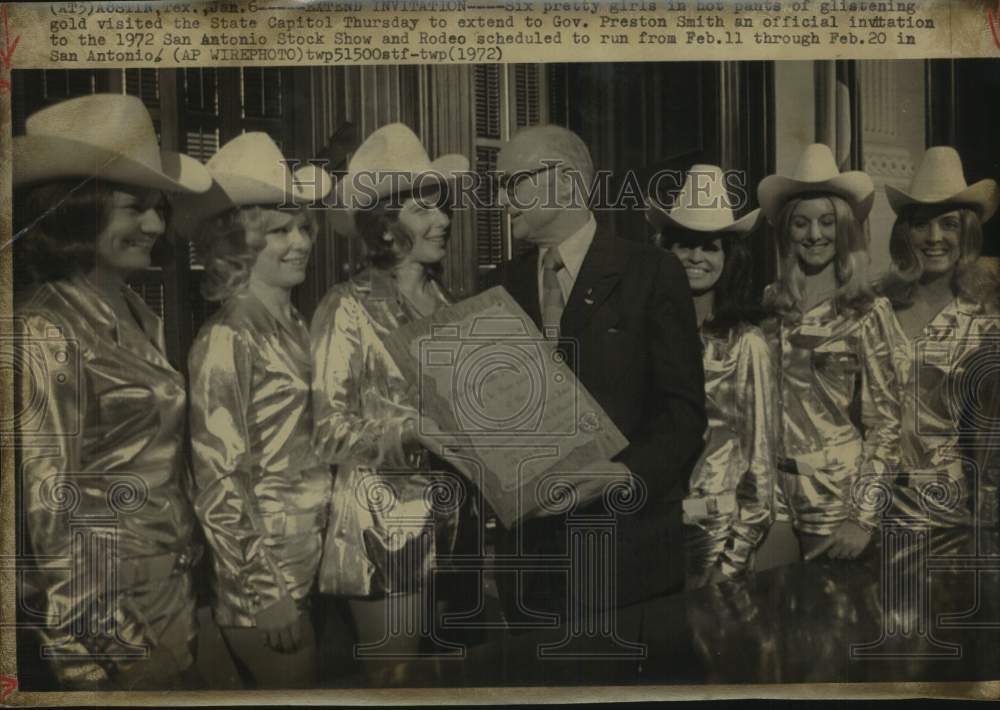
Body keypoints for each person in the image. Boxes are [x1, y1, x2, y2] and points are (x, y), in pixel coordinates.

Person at [12, 94, 212, 689]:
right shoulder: (44, 328)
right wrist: (115, 645)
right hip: (110, 618)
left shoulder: (132, 309)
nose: (155, 224)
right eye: (135, 208)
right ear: (77, 213)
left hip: (168, 588)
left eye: (157, 208)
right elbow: (49, 506)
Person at [492, 125, 707, 617]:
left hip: (628, 558)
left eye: (514, 182)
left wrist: (622, 475)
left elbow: (684, 415)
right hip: (532, 567)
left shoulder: (651, 272)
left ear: (566, 184)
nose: (502, 199)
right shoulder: (499, 286)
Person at [310, 124, 470, 666]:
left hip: (452, 522)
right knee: (396, 683)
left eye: (440, 208)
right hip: (383, 527)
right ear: (384, 227)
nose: (443, 220)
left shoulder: (450, 302)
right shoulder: (346, 307)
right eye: (423, 210)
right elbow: (327, 428)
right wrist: (411, 431)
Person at [180, 133, 334, 688]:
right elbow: (217, 480)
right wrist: (265, 594)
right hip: (265, 578)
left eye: (303, 228)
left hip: (312, 556)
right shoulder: (228, 335)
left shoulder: (295, 322)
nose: (299, 243)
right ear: (239, 243)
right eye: (278, 232)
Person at [756, 143, 900, 564]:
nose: (814, 235)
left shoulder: (867, 309)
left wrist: (862, 517)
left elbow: (887, 424)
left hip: (839, 500)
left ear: (845, 231)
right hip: (774, 500)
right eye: (801, 223)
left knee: (835, 625)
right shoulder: (771, 302)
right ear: (786, 231)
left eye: (826, 223)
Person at [647, 164, 776, 588]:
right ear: (665, 250)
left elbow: (759, 466)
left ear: (729, 257)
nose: (696, 258)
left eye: (710, 247)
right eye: (684, 244)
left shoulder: (747, 342)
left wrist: (732, 562)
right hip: (651, 529)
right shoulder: (645, 334)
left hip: (716, 535)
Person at [878, 146, 1000, 530]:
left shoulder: (983, 324)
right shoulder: (876, 309)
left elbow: (990, 445)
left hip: (946, 514)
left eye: (948, 224)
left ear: (966, 234)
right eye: (921, 224)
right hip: (866, 507)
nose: (934, 237)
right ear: (905, 233)